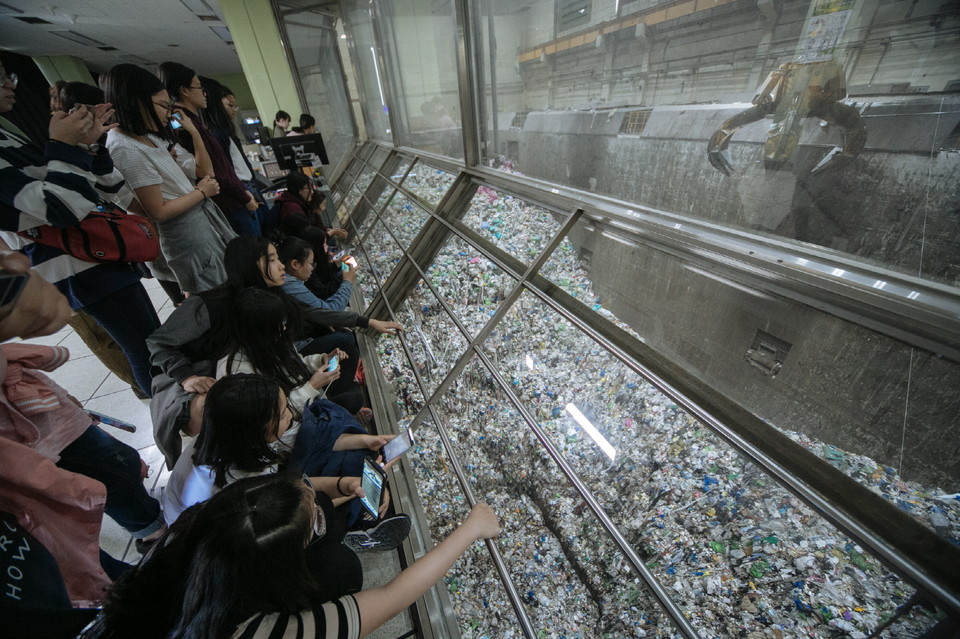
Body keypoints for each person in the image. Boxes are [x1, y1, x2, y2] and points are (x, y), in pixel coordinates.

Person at [89, 474, 500, 639]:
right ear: (275, 567)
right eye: (316, 523)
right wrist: (471, 530)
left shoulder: (183, 539)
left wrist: (339, 486)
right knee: (340, 566)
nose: (322, 512)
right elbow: (394, 595)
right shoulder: (261, 632)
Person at [147, 235, 402, 469]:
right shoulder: (208, 307)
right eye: (271, 260)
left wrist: (360, 326)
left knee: (349, 393)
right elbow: (158, 343)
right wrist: (185, 375)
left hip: (268, 385)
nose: (282, 266)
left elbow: (308, 318)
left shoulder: (273, 296)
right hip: (224, 389)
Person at [0, 63, 161, 397]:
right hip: (75, 262)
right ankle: (174, 421)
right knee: (145, 349)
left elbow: (107, 187)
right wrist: (63, 145)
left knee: (152, 342)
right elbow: (61, 207)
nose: (10, 84)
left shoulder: (8, 131)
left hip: (94, 252)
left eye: (9, 74)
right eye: (2, 77)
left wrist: (90, 144)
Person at [101, 63, 235, 297]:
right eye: (163, 105)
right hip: (185, 235)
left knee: (227, 285)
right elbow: (158, 211)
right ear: (137, 102)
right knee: (215, 297)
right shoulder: (124, 147)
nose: (167, 113)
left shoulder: (145, 137)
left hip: (198, 225)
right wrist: (201, 192)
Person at [217, 287, 361, 412]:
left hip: (305, 397)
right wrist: (312, 386)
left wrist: (321, 360)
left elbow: (296, 362)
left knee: (350, 357)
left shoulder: (272, 341)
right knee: (353, 400)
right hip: (288, 424)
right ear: (260, 329)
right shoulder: (238, 372)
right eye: (279, 324)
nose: (284, 328)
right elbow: (276, 417)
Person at [159, 62, 259, 236]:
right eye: (199, 88)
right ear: (185, 91)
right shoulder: (182, 121)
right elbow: (212, 170)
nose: (204, 94)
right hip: (228, 201)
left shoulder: (192, 120)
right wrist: (244, 196)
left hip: (234, 197)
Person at [200, 78, 268, 235]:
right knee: (254, 240)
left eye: (234, 106)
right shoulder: (216, 134)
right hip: (241, 191)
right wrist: (245, 196)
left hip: (248, 186)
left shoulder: (226, 132)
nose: (233, 110)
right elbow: (225, 173)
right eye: (229, 105)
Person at [276, 233, 356, 312]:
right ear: (295, 264)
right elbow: (330, 312)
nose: (312, 269)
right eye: (311, 263)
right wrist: (347, 281)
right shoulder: (291, 286)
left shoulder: (289, 279)